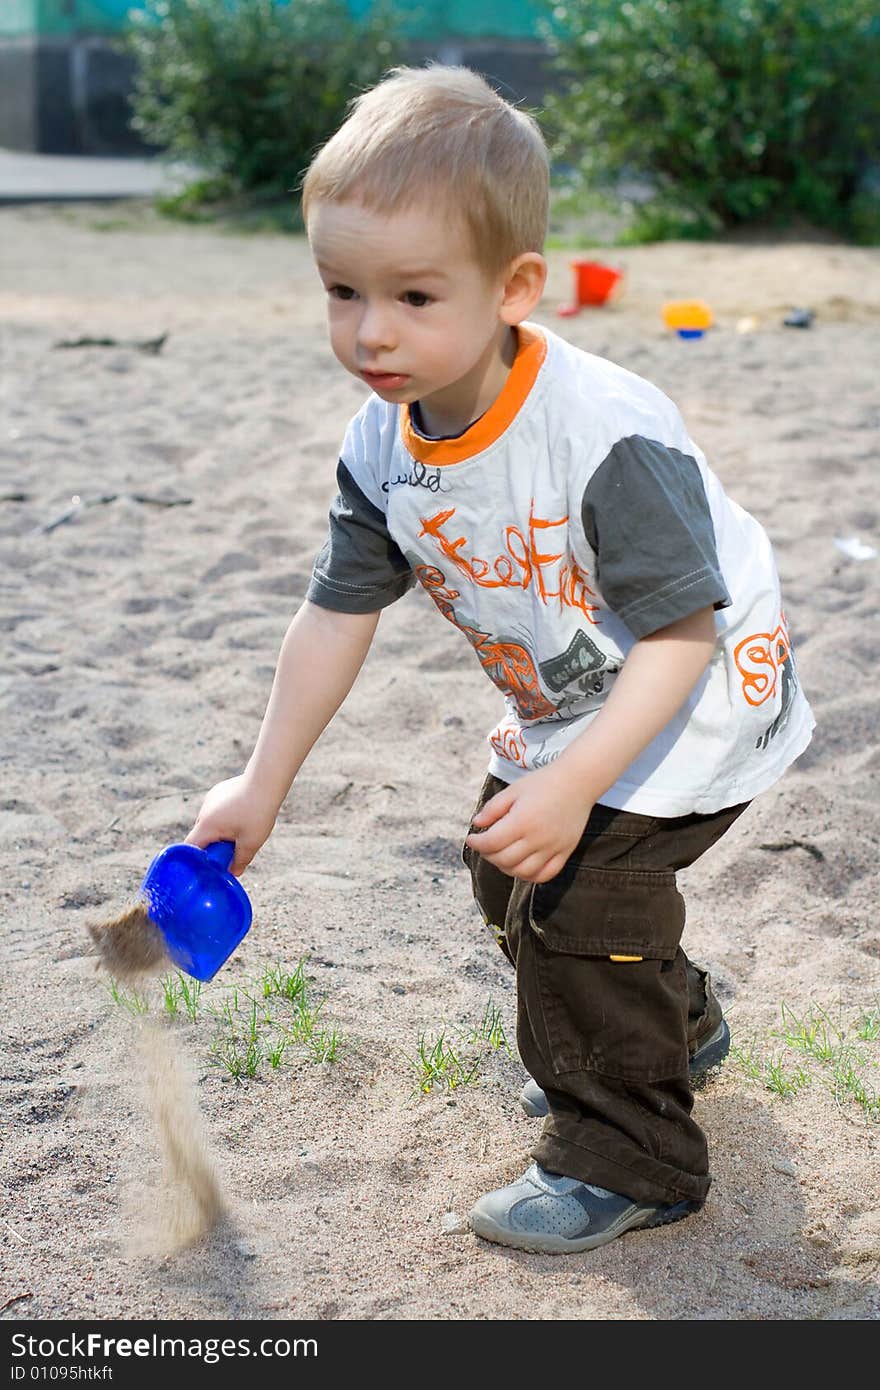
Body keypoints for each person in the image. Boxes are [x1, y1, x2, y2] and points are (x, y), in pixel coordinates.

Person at [185, 64, 814, 1254]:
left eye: (415, 296)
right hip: (585, 694)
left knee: (576, 896)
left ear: (515, 288)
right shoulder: (383, 442)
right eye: (342, 292)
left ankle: (632, 1154)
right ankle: (664, 1025)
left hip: (701, 687)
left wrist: (576, 785)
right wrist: (258, 783)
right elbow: (334, 613)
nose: (371, 331)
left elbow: (682, 633)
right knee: (503, 870)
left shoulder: (597, 435)